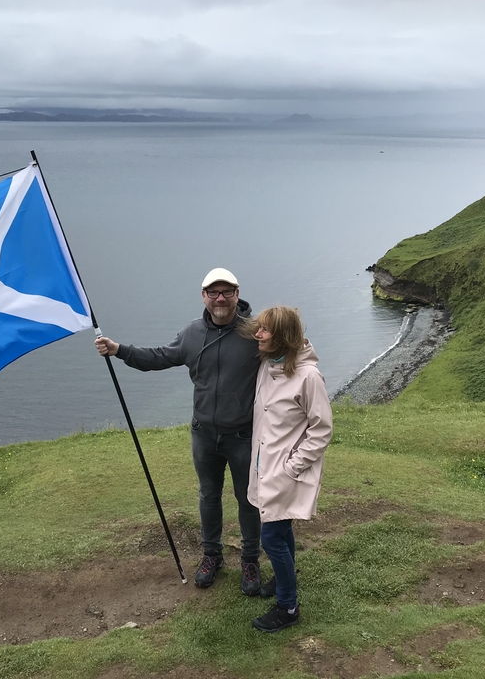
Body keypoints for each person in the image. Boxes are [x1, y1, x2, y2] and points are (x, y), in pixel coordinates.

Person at [95, 268, 263, 595]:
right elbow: (161, 357)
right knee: (208, 496)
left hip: (243, 435)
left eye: (226, 291)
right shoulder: (191, 334)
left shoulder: (254, 333)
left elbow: (288, 350)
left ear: (237, 294)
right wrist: (119, 350)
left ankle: (250, 559)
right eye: (213, 292)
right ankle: (211, 555)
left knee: (248, 499)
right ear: (203, 296)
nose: (220, 298)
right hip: (204, 434)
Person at [242, 306, 333, 633]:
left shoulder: (308, 377)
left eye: (265, 330)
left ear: (281, 337)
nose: (258, 335)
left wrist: (292, 467)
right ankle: (284, 581)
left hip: (285, 473)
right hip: (265, 468)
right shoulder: (269, 366)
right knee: (281, 532)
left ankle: (288, 605)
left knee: (272, 539)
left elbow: (322, 429)